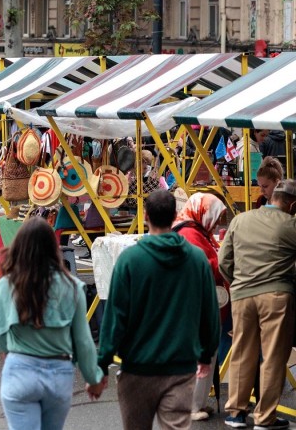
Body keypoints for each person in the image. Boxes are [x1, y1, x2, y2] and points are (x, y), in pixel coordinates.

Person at [98, 189, 220, 430]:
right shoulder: (197, 259)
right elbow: (210, 312)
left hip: (137, 367)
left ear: (145, 216)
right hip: (181, 367)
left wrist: (102, 363)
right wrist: (205, 354)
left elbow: (115, 317)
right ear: (175, 215)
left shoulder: (129, 260)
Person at [0, 217, 106, 429]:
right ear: (53, 248)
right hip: (58, 374)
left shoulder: (6, 285)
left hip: (19, 371)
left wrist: (11, 350)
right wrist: (94, 378)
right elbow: (83, 342)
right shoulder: (72, 286)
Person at [219, 179, 296, 429]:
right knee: (273, 356)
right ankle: (264, 417)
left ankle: (235, 413)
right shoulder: (291, 225)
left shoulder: (240, 220)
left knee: (242, 352)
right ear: (293, 204)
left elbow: (224, 260)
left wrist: (239, 281)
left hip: (241, 295)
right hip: (276, 295)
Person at [172, 192, 229, 421]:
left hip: (196, 304)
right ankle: (193, 406)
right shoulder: (190, 234)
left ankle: (196, 403)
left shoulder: (193, 230)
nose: (216, 223)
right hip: (198, 305)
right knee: (202, 355)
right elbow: (206, 266)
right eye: (215, 216)